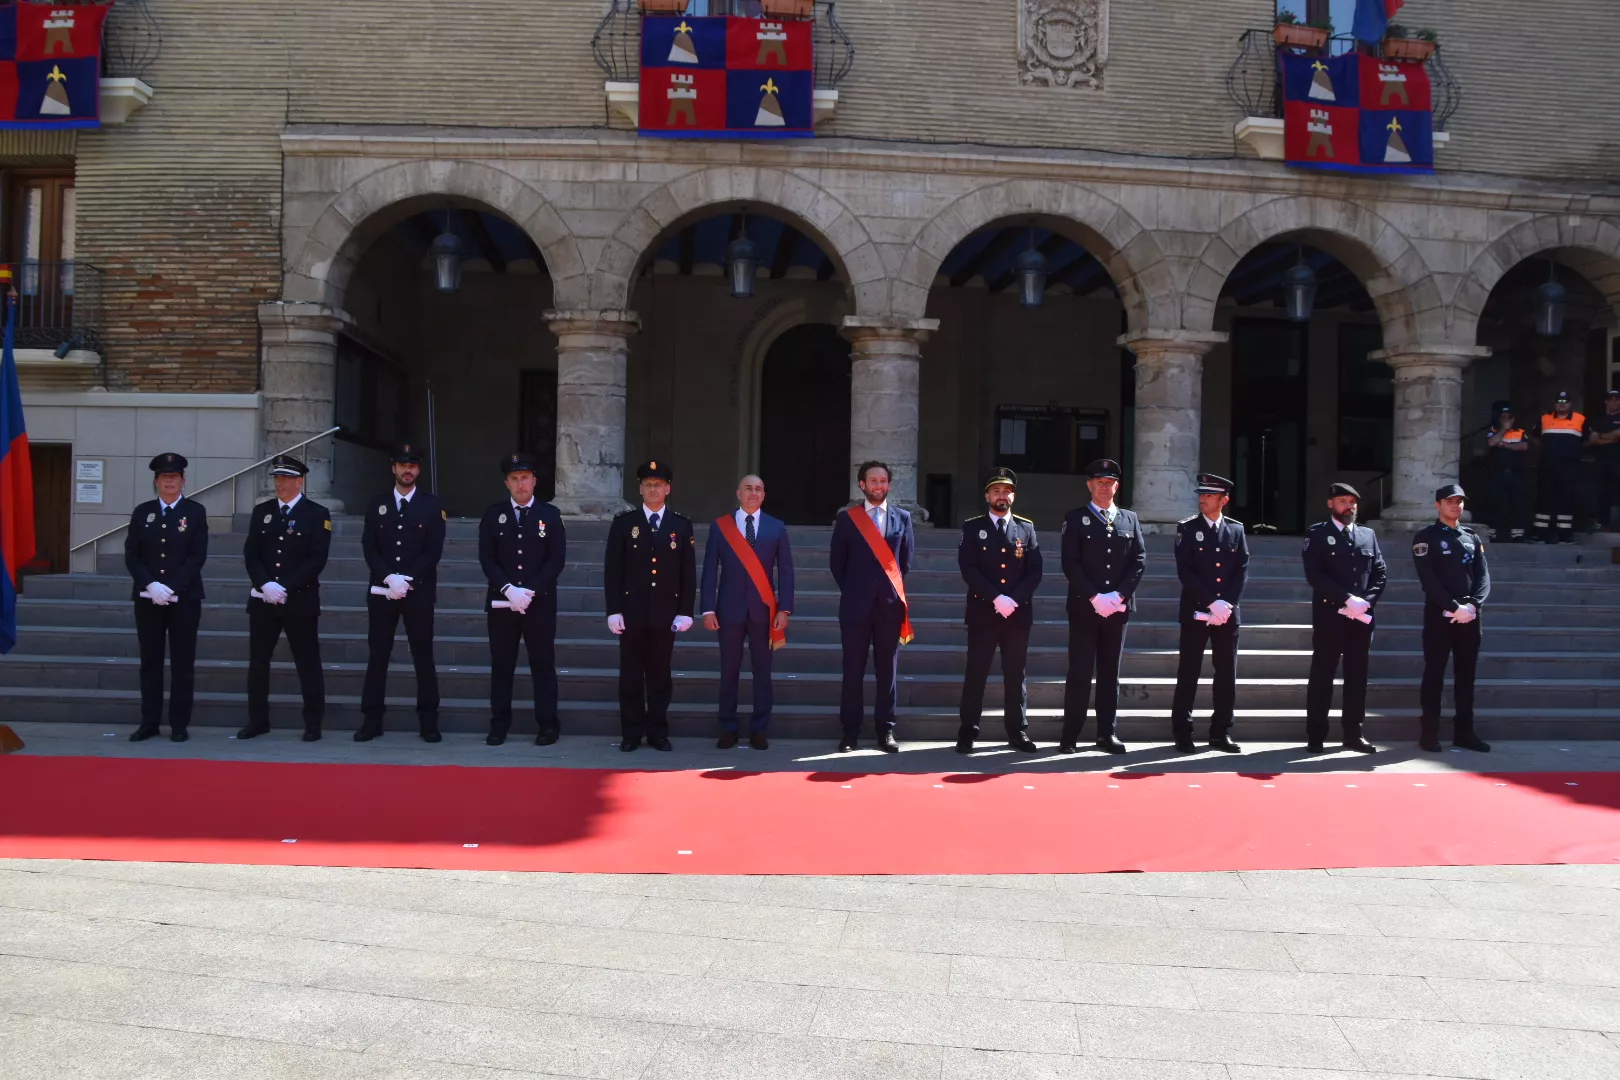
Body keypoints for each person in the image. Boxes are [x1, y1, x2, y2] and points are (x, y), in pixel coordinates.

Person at [358, 443, 446, 743]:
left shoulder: (432, 506)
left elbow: (433, 551)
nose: (407, 470)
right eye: (402, 465)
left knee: (423, 656)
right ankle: (372, 719)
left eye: (413, 465)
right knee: (378, 655)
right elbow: (370, 547)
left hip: (417, 592)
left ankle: (429, 721)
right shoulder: (377, 503)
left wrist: (406, 580)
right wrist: (387, 578)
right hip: (383, 591)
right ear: (393, 468)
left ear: (418, 470)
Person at [604, 460, 695, 752]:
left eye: (658, 484)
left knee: (659, 675)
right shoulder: (624, 523)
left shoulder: (680, 525)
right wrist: (613, 609)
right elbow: (613, 571)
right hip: (631, 612)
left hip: (665, 613)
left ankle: (657, 731)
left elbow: (688, 572)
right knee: (630, 674)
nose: (653, 489)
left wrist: (685, 611)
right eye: (647, 484)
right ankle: (631, 732)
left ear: (668, 489)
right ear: (640, 489)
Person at [240, 454, 332, 742]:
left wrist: (285, 587)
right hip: (264, 599)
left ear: (299, 482)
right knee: (258, 663)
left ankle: (313, 722)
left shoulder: (318, 514)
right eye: (277, 478)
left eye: (287, 479)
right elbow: (251, 553)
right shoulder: (262, 512)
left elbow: (317, 559)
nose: (280, 483)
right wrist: (265, 584)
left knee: (307, 662)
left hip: (299, 600)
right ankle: (258, 720)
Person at [700, 474, 794, 750]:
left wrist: (785, 608)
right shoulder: (721, 527)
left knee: (762, 673)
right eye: (748, 488)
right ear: (738, 493)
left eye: (758, 489)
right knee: (729, 671)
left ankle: (759, 728)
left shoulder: (776, 527)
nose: (753, 493)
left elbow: (786, 570)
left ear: (764, 495)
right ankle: (728, 727)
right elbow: (709, 571)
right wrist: (707, 608)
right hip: (728, 610)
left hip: (764, 612)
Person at [478, 452, 567, 746]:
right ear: (507, 483)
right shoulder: (493, 515)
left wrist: (529, 591)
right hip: (502, 603)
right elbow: (487, 559)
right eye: (515, 479)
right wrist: (508, 589)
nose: (521, 484)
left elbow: (555, 560)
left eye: (525, 478)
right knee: (502, 664)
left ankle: (548, 724)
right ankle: (499, 724)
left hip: (538, 603)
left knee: (542, 664)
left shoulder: (550, 515)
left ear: (534, 481)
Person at [1058, 459, 1145, 755]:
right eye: (1099, 482)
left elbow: (1139, 560)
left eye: (1109, 483)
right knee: (1080, 672)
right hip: (1086, 607)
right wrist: (1096, 597)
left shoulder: (1129, 519)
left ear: (1117, 486)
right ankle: (1071, 735)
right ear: (1089, 485)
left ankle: (1106, 733)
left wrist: (1119, 596)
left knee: (1110, 674)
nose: (1104, 487)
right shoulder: (1075, 518)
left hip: (1118, 610)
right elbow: (1070, 563)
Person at [829, 460, 915, 753]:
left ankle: (886, 730)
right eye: (873, 481)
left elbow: (905, 563)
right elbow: (837, 564)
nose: (878, 486)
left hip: (889, 608)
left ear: (888, 485)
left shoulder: (902, 518)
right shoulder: (847, 519)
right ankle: (850, 731)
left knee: (887, 672)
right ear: (862, 485)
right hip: (855, 607)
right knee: (852, 669)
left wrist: (883, 592)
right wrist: (857, 590)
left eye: (883, 481)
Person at [955, 467, 1041, 754]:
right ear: (987, 495)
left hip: (1016, 614)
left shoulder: (1026, 528)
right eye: (996, 491)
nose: (1001, 495)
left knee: (1016, 674)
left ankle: (1017, 731)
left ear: (1013, 496)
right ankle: (968, 731)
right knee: (976, 672)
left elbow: (1035, 571)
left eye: (1006, 491)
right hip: (983, 611)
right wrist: (995, 597)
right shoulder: (972, 527)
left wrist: (1013, 599)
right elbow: (968, 568)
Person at [124, 452, 209, 743]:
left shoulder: (195, 512)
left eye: (174, 477)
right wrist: (150, 585)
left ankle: (179, 724)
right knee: (150, 661)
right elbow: (132, 554)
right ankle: (149, 721)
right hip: (148, 598)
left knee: (183, 662)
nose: (169, 482)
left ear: (183, 481)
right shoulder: (142, 512)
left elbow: (197, 556)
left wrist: (170, 587)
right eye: (164, 477)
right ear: (156, 482)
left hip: (184, 598)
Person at [1301, 482, 1386, 754]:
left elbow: (1380, 573)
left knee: (1357, 676)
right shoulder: (1317, 534)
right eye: (1342, 501)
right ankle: (1316, 735)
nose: (1349, 506)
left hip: (1361, 618)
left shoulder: (1367, 535)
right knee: (1323, 675)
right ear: (1331, 504)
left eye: (1352, 501)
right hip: (1330, 616)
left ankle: (1353, 733)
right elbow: (1315, 575)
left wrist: (1366, 602)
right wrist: (1347, 599)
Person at [1169, 472, 1248, 754]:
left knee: (1226, 674)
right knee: (1188, 672)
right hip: (1196, 612)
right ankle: (1182, 731)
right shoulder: (1187, 528)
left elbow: (1240, 570)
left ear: (1223, 500)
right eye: (1201, 494)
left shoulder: (1236, 530)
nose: (1203, 499)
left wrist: (1226, 604)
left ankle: (1221, 732)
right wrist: (1209, 603)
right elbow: (1186, 571)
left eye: (1210, 495)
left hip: (1227, 614)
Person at [1412, 484, 1491, 754]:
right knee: (1434, 673)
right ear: (1438, 505)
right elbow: (1429, 580)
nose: (1456, 506)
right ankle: (1429, 733)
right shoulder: (1426, 537)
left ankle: (1464, 733)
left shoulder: (1471, 537)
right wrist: (1452, 606)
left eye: (1459, 501)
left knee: (1466, 676)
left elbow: (1482, 576)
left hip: (1469, 617)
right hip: (1440, 616)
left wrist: (1473, 604)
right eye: (1449, 501)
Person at [1531, 390, 1586, 544]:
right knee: (1544, 499)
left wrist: (1575, 451)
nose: (1562, 405)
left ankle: (1565, 536)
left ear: (1570, 404)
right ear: (1554, 404)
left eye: (1565, 402)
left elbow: (1590, 437)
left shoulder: (1580, 419)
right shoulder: (1544, 419)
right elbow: (1534, 437)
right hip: (1547, 466)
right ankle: (1540, 535)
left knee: (1566, 500)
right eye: (1559, 403)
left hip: (1569, 467)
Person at [1485, 404, 1531, 542]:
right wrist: (1503, 431)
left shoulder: (1521, 432)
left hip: (1516, 474)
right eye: (1503, 417)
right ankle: (1492, 533)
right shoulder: (1493, 431)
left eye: (1508, 417)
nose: (1506, 420)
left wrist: (1504, 445)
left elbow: (1523, 446)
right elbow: (1491, 443)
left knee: (1517, 503)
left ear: (1513, 419)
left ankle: (1517, 534)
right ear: (1499, 419)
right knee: (1495, 503)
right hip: (1498, 473)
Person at [1589, 389, 1620, 531]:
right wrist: (1611, 438)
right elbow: (1593, 440)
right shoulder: (1599, 420)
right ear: (1606, 402)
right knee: (1602, 493)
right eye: (1611, 399)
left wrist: (1603, 436)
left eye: (1616, 399)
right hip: (1602, 462)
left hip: (1618, 461)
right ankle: (1602, 523)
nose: (1613, 402)